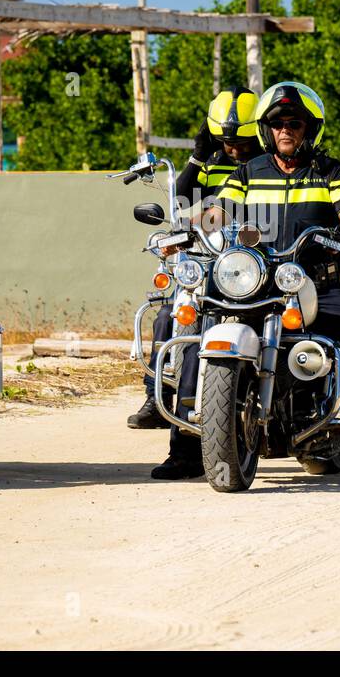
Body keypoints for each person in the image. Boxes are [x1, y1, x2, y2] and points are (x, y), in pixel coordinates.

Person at [184, 81, 340, 484]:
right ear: (266, 130)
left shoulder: (330, 171)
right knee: (194, 326)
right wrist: (192, 226)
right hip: (258, 284)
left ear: (310, 129)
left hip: (319, 286)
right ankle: (183, 444)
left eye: (295, 123)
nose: (285, 130)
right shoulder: (247, 172)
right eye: (277, 123)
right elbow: (217, 209)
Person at [142, 87, 262, 474]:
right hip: (213, 261)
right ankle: (180, 438)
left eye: (242, 141)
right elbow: (191, 203)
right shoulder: (211, 162)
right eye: (226, 141)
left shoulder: (269, 165)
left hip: (258, 264)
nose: (234, 149)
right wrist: (196, 158)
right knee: (181, 323)